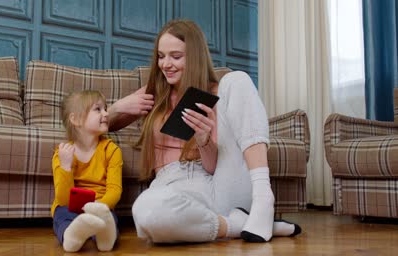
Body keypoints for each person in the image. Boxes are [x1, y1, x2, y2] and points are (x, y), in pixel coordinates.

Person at [108, 19, 301, 243]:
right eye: (161, 56)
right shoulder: (154, 94)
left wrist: (203, 140)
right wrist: (118, 107)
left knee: (237, 79)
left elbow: (211, 167)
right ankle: (237, 225)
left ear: (195, 57)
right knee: (145, 211)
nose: (166, 64)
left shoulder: (219, 93)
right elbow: (104, 126)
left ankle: (263, 198)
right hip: (172, 186)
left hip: (220, 181)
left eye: (176, 56)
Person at [51, 90, 123, 252]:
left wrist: (98, 206)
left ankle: (105, 238)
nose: (106, 113)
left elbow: (115, 191)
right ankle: (71, 236)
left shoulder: (111, 150)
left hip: (100, 206)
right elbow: (63, 199)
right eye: (98, 109)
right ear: (75, 119)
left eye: (105, 108)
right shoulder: (62, 153)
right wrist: (66, 167)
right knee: (61, 215)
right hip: (69, 207)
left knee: (109, 217)